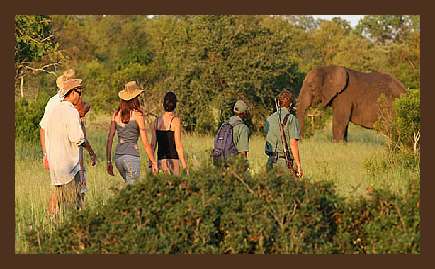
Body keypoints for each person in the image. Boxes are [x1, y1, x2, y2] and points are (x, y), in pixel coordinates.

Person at [44, 78, 90, 214]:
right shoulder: (71, 112)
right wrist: (91, 152)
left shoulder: (54, 111)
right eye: (79, 93)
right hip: (69, 166)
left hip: (56, 165)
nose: (80, 97)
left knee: (57, 198)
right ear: (73, 93)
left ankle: (51, 225)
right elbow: (77, 138)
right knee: (75, 202)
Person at [106, 81, 158, 184]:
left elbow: (110, 139)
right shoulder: (138, 115)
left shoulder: (116, 115)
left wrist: (108, 162)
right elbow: (145, 143)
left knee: (129, 187)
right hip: (132, 157)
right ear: (134, 98)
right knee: (133, 194)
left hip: (118, 158)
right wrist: (153, 161)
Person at [264, 89, 303, 177]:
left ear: (278, 103)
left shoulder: (269, 119)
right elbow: (293, 143)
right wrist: (298, 165)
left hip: (270, 161)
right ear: (290, 104)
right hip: (284, 162)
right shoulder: (291, 119)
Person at [150, 91, 189, 176]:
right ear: (174, 105)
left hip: (160, 160)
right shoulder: (175, 121)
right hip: (173, 160)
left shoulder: (156, 122)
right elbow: (178, 146)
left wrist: (151, 163)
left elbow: (153, 145)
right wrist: (185, 166)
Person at [75, 99, 97, 208]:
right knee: (79, 195)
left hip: (77, 164)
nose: (85, 115)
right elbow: (83, 140)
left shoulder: (78, 121)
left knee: (79, 195)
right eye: (84, 112)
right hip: (77, 165)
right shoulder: (76, 122)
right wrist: (92, 153)